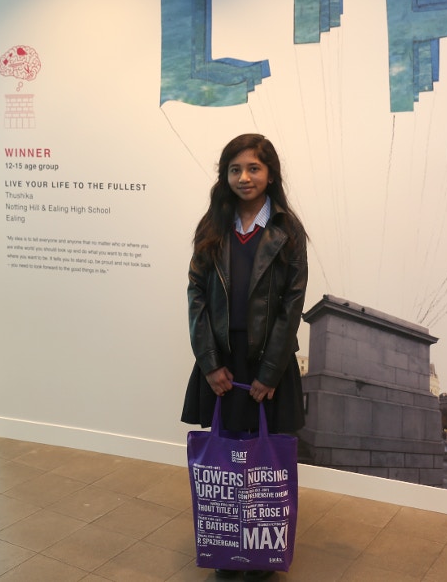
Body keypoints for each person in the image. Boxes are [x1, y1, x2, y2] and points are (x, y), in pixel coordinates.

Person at [181, 134, 308, 581]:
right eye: (235, 169)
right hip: (222, 360)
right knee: (226, 455)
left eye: (253, 168)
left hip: (266, 362)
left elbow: (293, 305)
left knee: (262, 458)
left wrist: (271, 370)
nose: (244, 177)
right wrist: (209, 361)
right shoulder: (211, 226)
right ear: (225, 176)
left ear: (269, 173)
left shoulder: (287, 231)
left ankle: (258, 551)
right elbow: (196, 293)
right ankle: (226, 543)